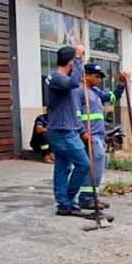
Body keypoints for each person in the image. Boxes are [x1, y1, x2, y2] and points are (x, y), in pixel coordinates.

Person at [45, 46, 92, 217]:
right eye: (76, 62)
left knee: (63, 166)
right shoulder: (57, 78)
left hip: (66, 129)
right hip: (63, 131)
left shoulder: (61, 79)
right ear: (71, 62)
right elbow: (73, 82)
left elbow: (72, 108)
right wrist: (79, 58)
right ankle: (69, 199)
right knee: (83, 164)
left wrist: (80, 128)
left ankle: (64, 204)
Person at [76, 64, 126, 210]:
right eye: (96, 76)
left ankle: (93, 196)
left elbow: (112, 98)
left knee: (99, 166)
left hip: (99, 135)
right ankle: (86, 198)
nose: (99, 80)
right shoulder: (79, 91)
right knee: (93, 166)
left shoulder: (95, 91)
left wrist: (121, 85)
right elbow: (76, 114)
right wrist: (82, 132)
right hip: (89, 135)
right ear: (86, 75)